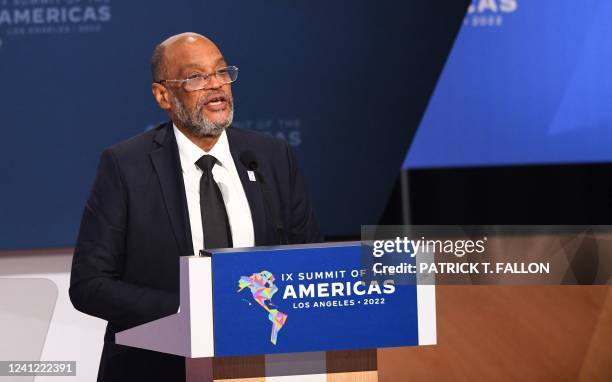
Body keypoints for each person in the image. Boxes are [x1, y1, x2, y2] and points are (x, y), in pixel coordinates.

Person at [69, 32, 322, 381]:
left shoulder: (271, 157)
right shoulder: (126, 165)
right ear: (163, 95)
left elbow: (310, 260)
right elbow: (89, 284)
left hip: (261, 363)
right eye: (196, 77)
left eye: (221, 72)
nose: (216, 86)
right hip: (158, 366)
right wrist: (187, 311)